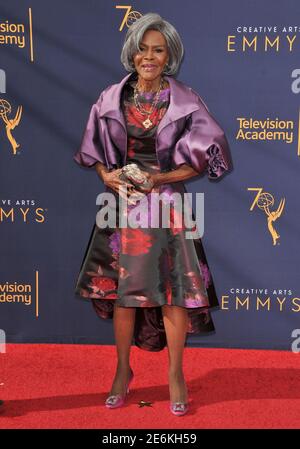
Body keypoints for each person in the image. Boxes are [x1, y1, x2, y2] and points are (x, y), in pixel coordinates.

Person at [73, 12, 231, 416]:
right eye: (142, 49)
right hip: (122, 205)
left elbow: (206, 160)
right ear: (132, 52)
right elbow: (94, 151)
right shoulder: (112, 97)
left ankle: (176, 375)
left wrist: (159, 179)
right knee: (124, 296)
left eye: (157, 50)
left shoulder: (185, 101)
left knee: (173, 296)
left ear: (169, 56)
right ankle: (122, 371)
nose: (148, 56)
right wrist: (108, 176)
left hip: (166, 207)